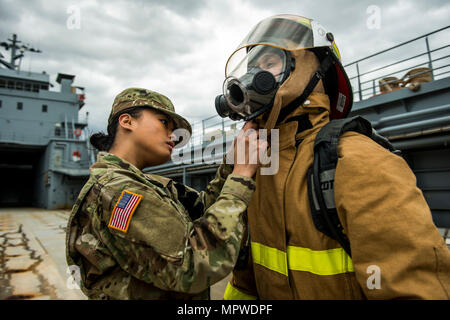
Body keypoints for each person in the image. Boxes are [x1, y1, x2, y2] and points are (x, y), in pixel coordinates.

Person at [215, 14, 450, 299]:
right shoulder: (257, 167)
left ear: (309, 70)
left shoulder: (359, 160)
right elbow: (244, 282)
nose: (254, 77)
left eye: (270, 63)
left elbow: (413, 289)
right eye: (253, 67)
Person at [65, 87, 268, 300]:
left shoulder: (145, 184)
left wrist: (232, 163)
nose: (173, 136)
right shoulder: (120, 191)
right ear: (127, 122)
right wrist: (241, 177)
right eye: (164, 122)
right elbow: (194, 266)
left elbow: (203, 209)